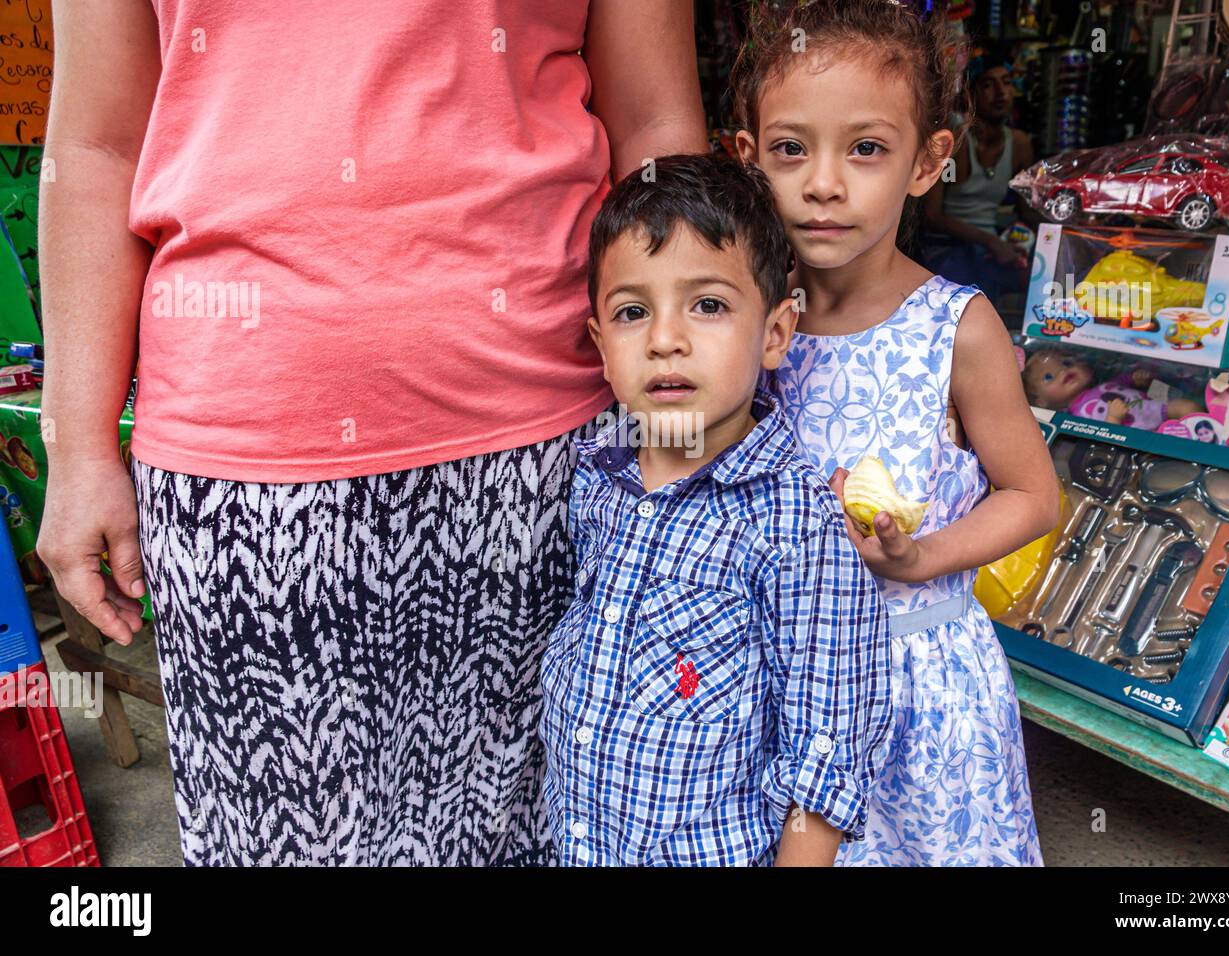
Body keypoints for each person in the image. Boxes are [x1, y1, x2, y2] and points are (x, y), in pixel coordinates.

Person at [39, 0, 707, 865]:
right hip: (245, 470)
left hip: (553, 447)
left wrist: (691, 413)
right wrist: (78, 446)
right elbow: (97, 144)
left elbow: (652, 121)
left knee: (543, 837)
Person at [734, 0, 1059, 865]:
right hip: (784, 689)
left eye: (867, 148)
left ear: (928, 162)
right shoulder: (748, 333)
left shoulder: (957, 328)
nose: (824, 182)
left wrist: (922, 556)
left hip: (920, 691)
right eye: (790, 148)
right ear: (748, 157)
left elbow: (1034, 495)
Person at [540, 154, 892, 866]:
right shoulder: (594, 478)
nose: (666, 339)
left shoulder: (793, 523)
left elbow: (823, 755)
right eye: (633, 312)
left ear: (775, 333)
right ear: (603, 348)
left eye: (708, 305)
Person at [921, 46, 1037, 306]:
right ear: (970, 95)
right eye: (988, 85)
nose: (1001, 93)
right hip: (947, 248)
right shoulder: (955, 140)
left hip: (990, 249)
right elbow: (931, 216)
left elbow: (1025, 211)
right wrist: (990, 241)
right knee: (970, 277)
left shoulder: (1019, 144)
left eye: (1006, 83)